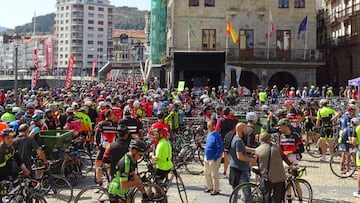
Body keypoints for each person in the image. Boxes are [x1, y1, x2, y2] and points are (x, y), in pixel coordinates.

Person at [255, 132, 295, 203]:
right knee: (277, 197)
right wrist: (291, 166)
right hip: (278, 177)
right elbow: (284, 157)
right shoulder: (276, 148)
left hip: (265, 177)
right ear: (269, 139)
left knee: (266, 196)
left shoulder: (258, 150)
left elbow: (257, 162)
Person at [229, 122, 256, 203]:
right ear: (241, 130)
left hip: (234, 167)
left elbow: (243, 148)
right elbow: (240, 155)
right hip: (241, 169)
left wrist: (254, 150)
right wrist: (251, 160)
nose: (246, 130)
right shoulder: (239, 141)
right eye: (245, 129)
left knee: (235, 191)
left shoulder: (235, 139)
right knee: (247, 192)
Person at [95, 109, 118, 186]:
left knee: (98, 165)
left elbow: (97, 135)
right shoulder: (115, 125)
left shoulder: (100, 124)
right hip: (111, 148)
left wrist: (97, 145)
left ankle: (100, 183)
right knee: (109, 166)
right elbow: (117, 137)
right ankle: (110, 182)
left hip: (103, 148)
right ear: (110, 116)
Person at [216, 107, 238, 177]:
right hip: (232, 139)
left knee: (219, 156)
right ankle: (225, 171)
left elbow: (216, 130)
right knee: (229, 157)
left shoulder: (221, 120)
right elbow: (236, 130)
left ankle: (217, 170)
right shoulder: (235, 120)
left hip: (222, 139)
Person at [203, 119, 223, 195]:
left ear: (214, 126)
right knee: (206, 173)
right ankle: (210, 187)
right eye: (208, 126)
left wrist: (216, 157)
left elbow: (220, 147)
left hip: (213, 158)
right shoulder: (209, 134)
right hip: (207, 157)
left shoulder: (217, 135)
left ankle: (216, 189)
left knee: (214, 174)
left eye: (210, 126)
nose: (208, 128)